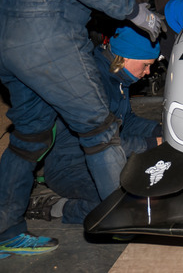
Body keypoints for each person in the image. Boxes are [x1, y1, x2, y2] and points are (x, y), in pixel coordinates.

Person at [0, 0, 162, 257]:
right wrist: (135, 12)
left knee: (29, 139)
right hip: (50, 39)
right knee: (100, 129)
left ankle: (6, 229)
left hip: (11, 41)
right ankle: (119, 224)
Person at [24, 26, 162, 224]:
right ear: (127, 57)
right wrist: (152, 143)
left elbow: (127, 119)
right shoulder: (94, 84)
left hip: (101, 155)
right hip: (71, 164)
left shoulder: (119, 76)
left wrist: (160, 130)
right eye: (146, 65)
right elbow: (103, 143)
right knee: (120, 206)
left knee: (149, 192)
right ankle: (57, 207)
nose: (148, 72)